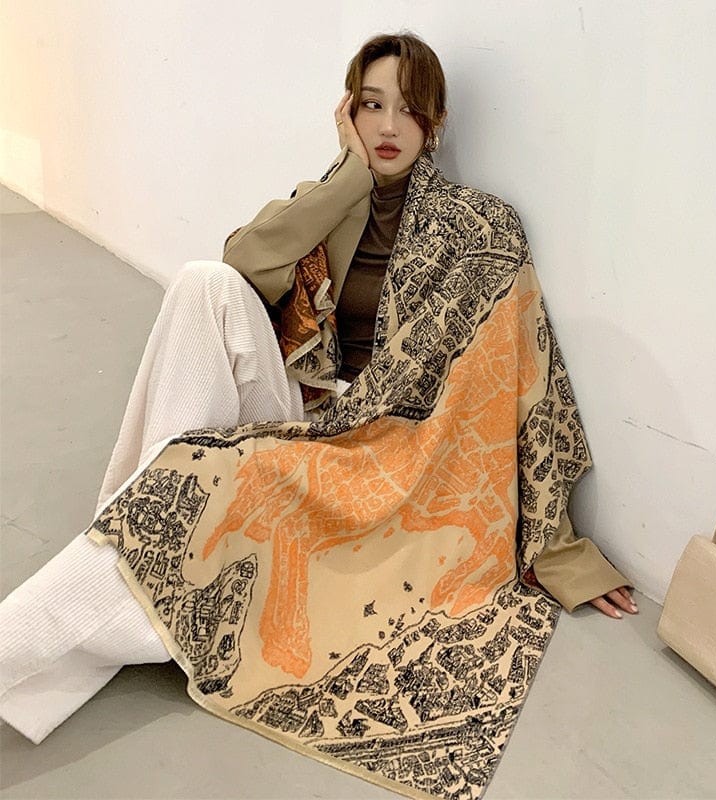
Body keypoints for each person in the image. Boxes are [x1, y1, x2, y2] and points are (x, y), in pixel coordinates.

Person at [0, 32, 635, 747]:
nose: (388, 126)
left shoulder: (479, 226)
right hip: (311, 409)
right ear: (348, 114)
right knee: (202, 284)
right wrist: (347, 179)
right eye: (371, 105)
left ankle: (131, 546)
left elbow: (526, 379)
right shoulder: (329, 200)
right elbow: (243, 260)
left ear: (436, 121)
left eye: (408, 108)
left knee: (201, 488)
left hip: (386, 447)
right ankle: (148, 524)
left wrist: (559, 549)